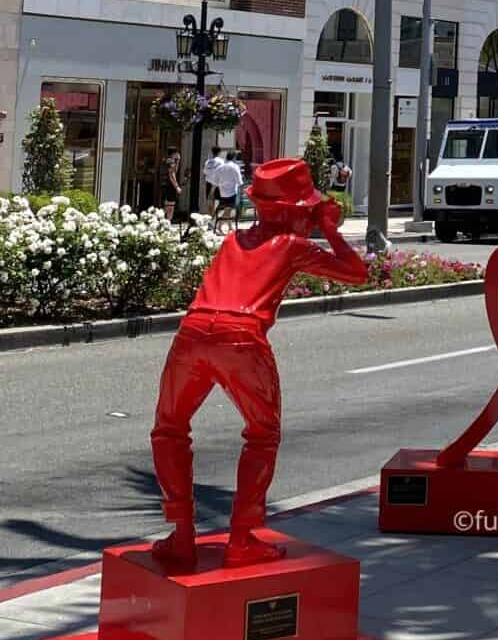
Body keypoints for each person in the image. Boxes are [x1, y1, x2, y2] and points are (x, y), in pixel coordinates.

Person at [149, 157, 368, 569]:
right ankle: (242, 537)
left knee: (169, 430)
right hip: (241, 336)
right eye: (307, 211)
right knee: (262, 435)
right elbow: (357, 273)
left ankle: (181, 535)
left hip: (193, 331)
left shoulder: (232, 242)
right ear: (294, 212)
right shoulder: (293, 246)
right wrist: (331, 230)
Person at [212, 151, 244, 233]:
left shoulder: (220, 167)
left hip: (222, 192)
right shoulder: (235, 167)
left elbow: (215, 182)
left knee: (227, 208)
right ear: (234, 158)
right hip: (232, 192)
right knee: (228, 210)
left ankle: (230, 226)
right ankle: (219, 225)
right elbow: (239, 181)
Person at [160, 150, 182, 221]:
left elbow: (175, 171)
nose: (178, 155)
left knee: (168, 205)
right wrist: (177, 187)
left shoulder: (167, 160)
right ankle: (166, 221)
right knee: (170, 206)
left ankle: (164, 221)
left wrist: (178, 161)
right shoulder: (170, 161)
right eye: (177, 153)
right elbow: (172, 175)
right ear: (174, 153)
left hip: (165, 184)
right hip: (170, 185)